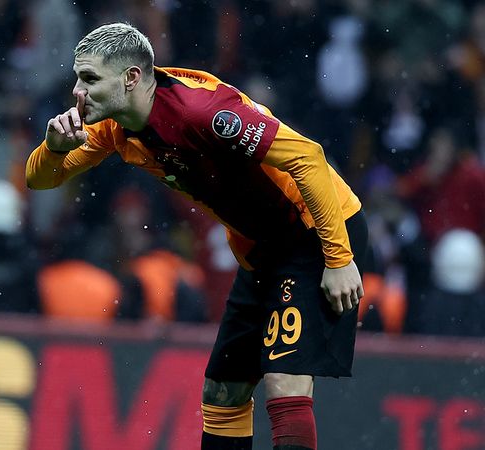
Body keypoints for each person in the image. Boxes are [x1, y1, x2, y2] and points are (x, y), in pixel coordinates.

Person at [25, 22, 368, 450]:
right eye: (78, 77)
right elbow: (39, 179)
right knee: (223, 394)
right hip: (263, 249)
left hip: (316, 231)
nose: (77, 91)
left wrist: (339, 259)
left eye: (89, 79)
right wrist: (54, 148)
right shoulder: (115, 127)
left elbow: (308, 158)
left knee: (284, 379)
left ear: (131, 77)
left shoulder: (203, 112)